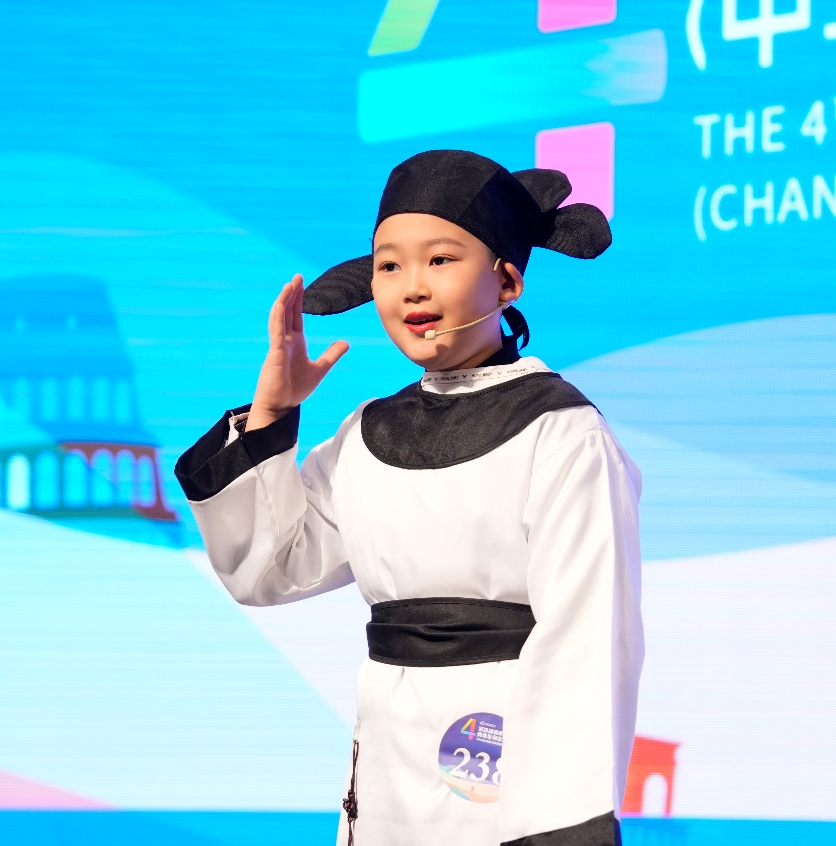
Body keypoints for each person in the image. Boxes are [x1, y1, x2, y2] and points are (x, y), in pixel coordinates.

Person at [174, 150, 643, 846]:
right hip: (387, 771)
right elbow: (267, 571)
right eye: (389, 266)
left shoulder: (561, 432)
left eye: (441, 259)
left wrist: (556, 828)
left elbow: (588, 639)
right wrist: (271, 417)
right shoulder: (368, 433)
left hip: (504, 770)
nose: (411, 289)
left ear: (506, 280)